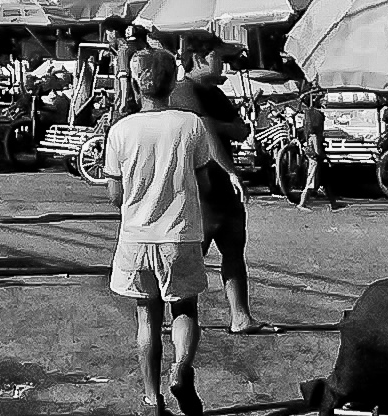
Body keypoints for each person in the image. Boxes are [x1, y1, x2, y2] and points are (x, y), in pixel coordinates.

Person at [105, 46, 246, 416]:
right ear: (171, 83)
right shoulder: (190, 124)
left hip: (136, 239)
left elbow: (115, 195)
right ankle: (181, 367)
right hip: (180, 235)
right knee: (184, 310)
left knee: (146, 318)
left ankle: (152, 399)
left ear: (136, 84)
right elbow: (204, 183)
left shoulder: (120, 130)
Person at [169, 32, 275, 336]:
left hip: (225, 191)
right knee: (190, 259)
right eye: (217, 56)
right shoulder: (184, 91)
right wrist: (230, 170)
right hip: (199, 189)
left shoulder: (215, 94)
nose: (224, 63)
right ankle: (179, 321)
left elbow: (240, 130)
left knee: (233, 251)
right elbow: (205, 133)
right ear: (198, 58)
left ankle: (241, 316)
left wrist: (214, 125)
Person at [298, 83, 340, 210]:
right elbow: (317, 151)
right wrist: (325, 158)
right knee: (310, 182)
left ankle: (334, 204)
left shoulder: (309, 133)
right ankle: (302, 204)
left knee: (324, 182)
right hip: (315, 161)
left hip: (315, 160)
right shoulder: (315, 136)